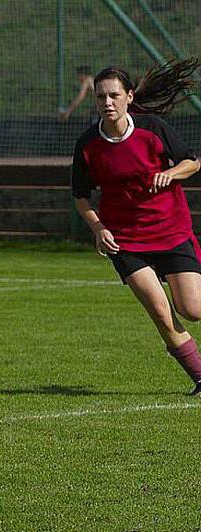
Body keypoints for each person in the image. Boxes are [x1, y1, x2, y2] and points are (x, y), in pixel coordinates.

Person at [72, 58, 201, 393]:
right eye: (101, 97)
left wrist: (170, 173)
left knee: (192, 309)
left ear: (129, 96)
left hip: (171, 229)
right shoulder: (88, 144)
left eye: (114, 95)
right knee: (160, 311)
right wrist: (99, 229)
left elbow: (193, 162)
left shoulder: (152, 129)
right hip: (126, 239)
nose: (107, 103)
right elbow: (81, 197)